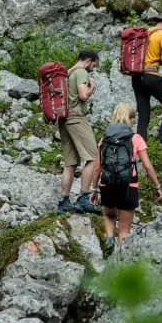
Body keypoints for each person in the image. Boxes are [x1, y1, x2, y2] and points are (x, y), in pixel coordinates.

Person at [97, 102, 162, 254]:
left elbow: (97, 166)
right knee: (125, 228)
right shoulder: (136, 138)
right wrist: (157, 186)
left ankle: (109, 240)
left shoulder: (105, 138)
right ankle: (120, 255)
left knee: (109, 215)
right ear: (130, 118)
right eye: (134, 118)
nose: (134, 122)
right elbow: (147, 165)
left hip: (107, 184)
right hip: (129, 185)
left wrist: (94, 188)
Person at [55, 50, 102, 214]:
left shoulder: (67, 73)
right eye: (94, 64)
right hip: (76, 118)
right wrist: (91, 89)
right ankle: (83, 198)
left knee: (70, 162)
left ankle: (64, 201)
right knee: (93, 156)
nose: (93, 68)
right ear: (89, 61)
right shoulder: (81, 72)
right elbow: (83, 95)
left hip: (64, 120)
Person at [131, 13, 162, 144]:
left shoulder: (145, 33)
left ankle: (140, 147)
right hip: (151, 76)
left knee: (143, 113)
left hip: (137, 77)